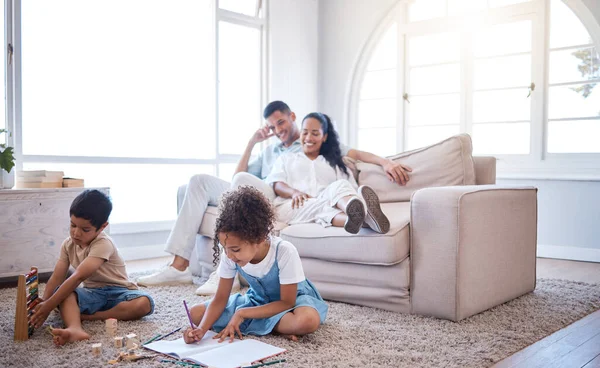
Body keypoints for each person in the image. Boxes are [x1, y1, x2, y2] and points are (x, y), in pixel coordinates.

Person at [137, 101, 411, 294]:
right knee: (197, 183)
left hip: (274, 197)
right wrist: (253, 142)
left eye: (281, 122)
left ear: (293, 117)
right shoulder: (271, 152)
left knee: (253, 185)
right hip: (264, 191)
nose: (278, 129)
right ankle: (179, 265)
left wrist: (386, 163)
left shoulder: (314, 146)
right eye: (272, 126)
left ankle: (227, 268)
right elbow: (238, 176)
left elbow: (355, 154)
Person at [184, 186, 327, 344]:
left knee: (306, 320)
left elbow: (287, 302)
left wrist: (243, 313)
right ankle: (275, 327)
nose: (229, 255)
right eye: (225, 249)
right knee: (195, 314)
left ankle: (260, 323)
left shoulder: (284, 251)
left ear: (258, 239)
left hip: (292, 303)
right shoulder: (230, 255)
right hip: (258, 301)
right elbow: (220, 299)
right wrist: (202, 330)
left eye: (235, 250)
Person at [30, 190, 154, 346]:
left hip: (119, 292)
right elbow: (57, 278)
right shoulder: (68, 245)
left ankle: (88, 317)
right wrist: (46, 302)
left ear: (102, 227)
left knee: (145, 303)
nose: (76, 233)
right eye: (73, 225)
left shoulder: (103, 244)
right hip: (92, 294)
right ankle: (75, 328)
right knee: (64, 293)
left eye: (85, 229)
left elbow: (78, 276)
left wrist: (50, 305)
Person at [266, 112, 389, 234]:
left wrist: (385, 162)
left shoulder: (334, 163)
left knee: (341, 184)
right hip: (293, 205)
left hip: (326, 201)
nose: (308, 138)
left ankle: (355, 213)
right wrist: (294, 193)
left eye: (315, 133)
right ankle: (368, 220)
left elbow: (349, 188)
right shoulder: (286, 158)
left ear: (324, 137)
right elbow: (277, 183)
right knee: (320, 207)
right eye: (305, 132)